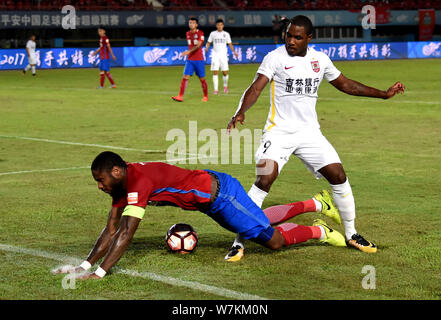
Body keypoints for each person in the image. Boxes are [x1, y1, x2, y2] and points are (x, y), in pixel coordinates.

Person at [225, 15, 405, 260]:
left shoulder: (320, 60)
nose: (291, 41)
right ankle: (238, 243)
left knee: (338, 175)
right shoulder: (275, 58)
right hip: (279, 132)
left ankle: (351, 234)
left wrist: (383, 94)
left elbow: (346, 85)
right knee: (265, 178)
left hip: (310, 133)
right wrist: (240, 112)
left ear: (309, 38)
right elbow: (256, 87)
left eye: (297, 37)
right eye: (288, 35)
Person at [52, 151, 346, 279]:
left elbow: (127, 233)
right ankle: (316, 203)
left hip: (224, 196)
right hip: (211, 201)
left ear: (116, 172)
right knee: (257, 223)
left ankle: (320, 229)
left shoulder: (138, 183)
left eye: (101, 180)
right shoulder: (123, 185)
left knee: (273, 241)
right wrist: (84, 265)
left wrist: (101, 272)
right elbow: (111, 229)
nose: (100, 186)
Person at [172, 17, 208, 102]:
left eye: (193, 23)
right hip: (190, 60)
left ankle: (205, 96)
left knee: (202, 78)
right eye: (190, 23)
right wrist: (188, 53)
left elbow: (198, 45)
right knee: (185, 77)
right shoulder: (188, 33)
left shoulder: (200, 33)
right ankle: (180, 96)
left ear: (196, 24)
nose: (191, 24)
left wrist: (188, 52)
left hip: (199, 59)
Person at [205, 19, 238, 94]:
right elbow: (209, 42)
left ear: (223, 26)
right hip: (215, 55)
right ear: (216, 25)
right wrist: (207, 47)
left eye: (221, 25)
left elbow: (230, 44)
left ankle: (225, 86)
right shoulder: (213, 34)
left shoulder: (226, 34)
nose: (219, 26)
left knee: (225, 72)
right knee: (215, 72)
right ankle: (215, 89)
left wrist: (234, 52)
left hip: (223, 55)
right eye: (218, 25)